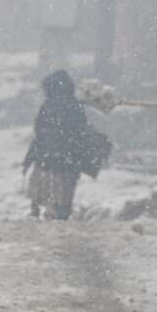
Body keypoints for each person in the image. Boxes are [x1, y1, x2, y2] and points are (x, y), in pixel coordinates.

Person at [22, 70, 110, 220]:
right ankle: (60, 214)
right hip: (68, 159)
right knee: (64, 190)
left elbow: (40, 131)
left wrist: (33, 155)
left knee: (41, 188)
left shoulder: (49, 106)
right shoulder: (73, 106)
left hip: (47, 157)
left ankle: (37, 212)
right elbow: (80, 131)